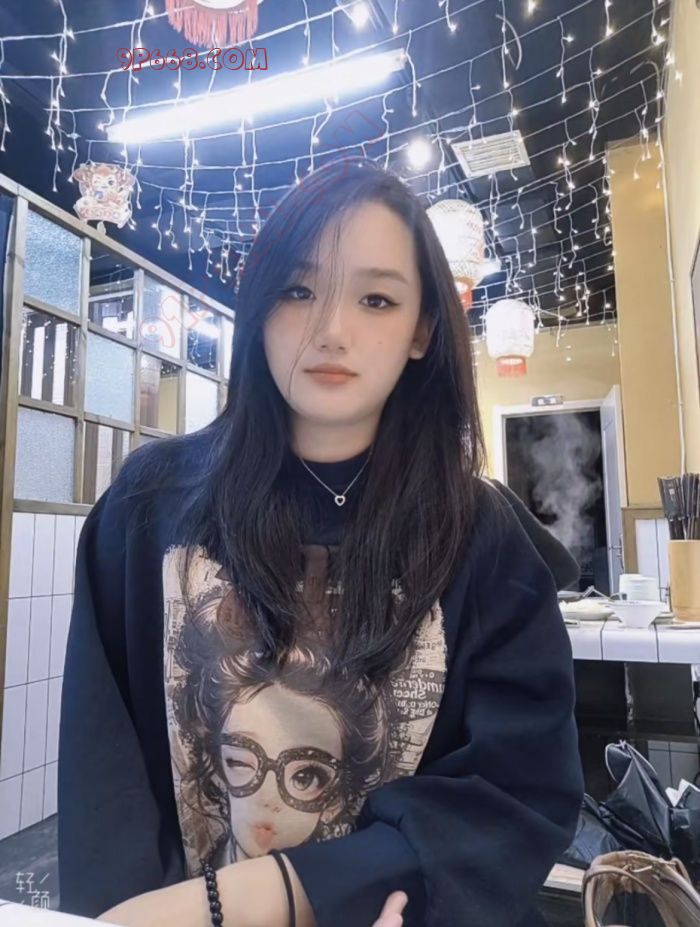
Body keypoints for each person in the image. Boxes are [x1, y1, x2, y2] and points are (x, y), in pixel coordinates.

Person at [57, 156, 584, 927]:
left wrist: (263, 895)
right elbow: (103, 774)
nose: (332, 331)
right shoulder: (149, 505)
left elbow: (518, 788)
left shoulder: (483, 535)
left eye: (377, 299)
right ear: (260, 308)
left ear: (421, 330)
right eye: (299, 291)